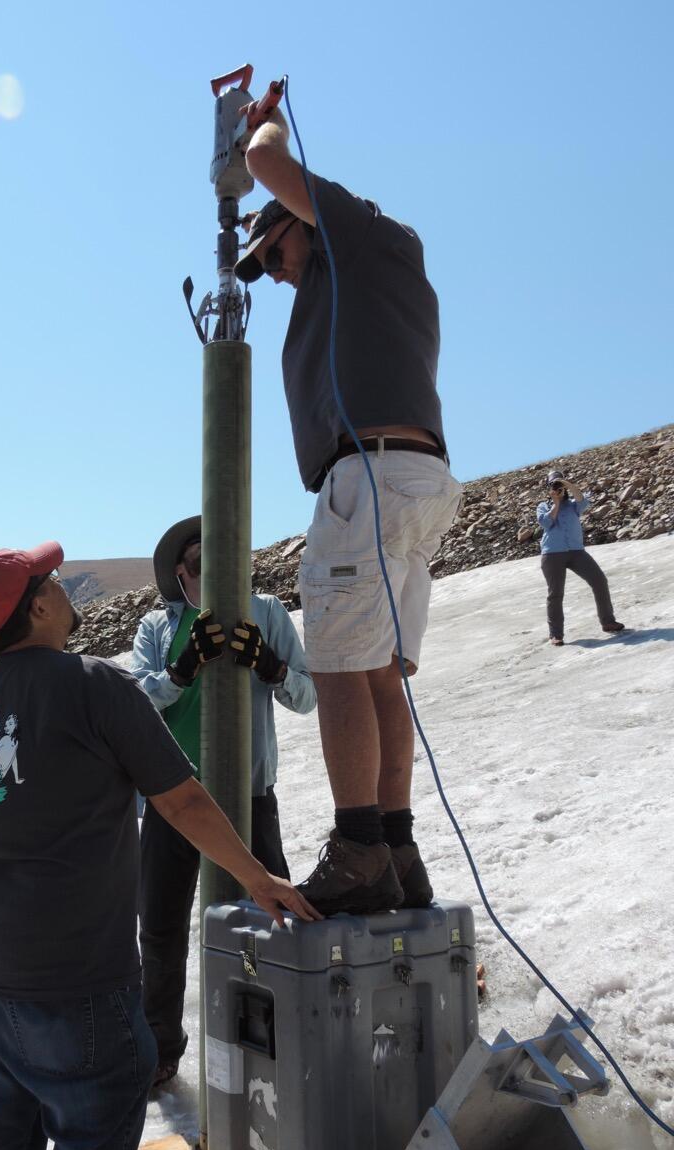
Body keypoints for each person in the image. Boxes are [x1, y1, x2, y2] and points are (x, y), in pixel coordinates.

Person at [0, 542, 319, 1150]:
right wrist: (257, 877)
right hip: (79, 984)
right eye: (53, 581)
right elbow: (181, 800)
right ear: (39, 606)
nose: (66, 587)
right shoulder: (93, 685)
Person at [232, 110, 462, 917]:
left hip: (368, 479)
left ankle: (360, 845)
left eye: (279, 252)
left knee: (333, 663)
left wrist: (262, 128)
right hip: (412, 476)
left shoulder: (361, 237)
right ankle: (394, 845)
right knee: (376, 670)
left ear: (307, 223)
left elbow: (266, 165)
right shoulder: (373, 270)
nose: (281, 272)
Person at [130, 515, 316, 1086]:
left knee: (269, 914)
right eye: (198, 566)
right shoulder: (158, 629)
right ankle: (161, 1048)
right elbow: (136, 704)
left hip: (249, 796)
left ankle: (280, 1031)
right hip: (172, 802)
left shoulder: (268, 614)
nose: (212, 576)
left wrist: (272, 666)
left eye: (222, 562)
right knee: (160, 928)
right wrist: (180, 670)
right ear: (179, 577)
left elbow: (308, 696)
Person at [536, 469, 625, 646]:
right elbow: (546, 523)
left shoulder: (573, 505)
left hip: (577, 551)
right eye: (553, 484)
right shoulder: (543, 506)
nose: (557, 487)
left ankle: (608, 622)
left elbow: (583, 500)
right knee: (555, 594)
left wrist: (566, 483)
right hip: (552, 554)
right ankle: (556, 634)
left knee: (599, 580)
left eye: (559, 484)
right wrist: (555, 502)